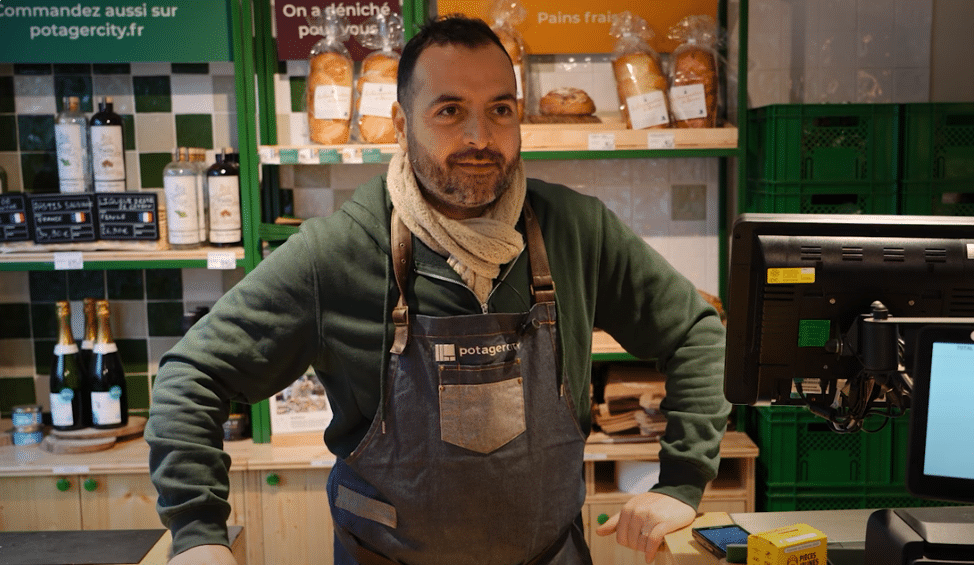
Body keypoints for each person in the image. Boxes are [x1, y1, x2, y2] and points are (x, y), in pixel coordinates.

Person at [146, 14, 729, 565]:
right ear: (402, 125)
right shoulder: (342, 251)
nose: (481, 136)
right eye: (450, 110)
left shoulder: (575, 230)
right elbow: (191, 376)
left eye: (500, 110)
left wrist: (681, 483)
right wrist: (198, 535)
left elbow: (696, 332)